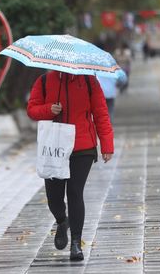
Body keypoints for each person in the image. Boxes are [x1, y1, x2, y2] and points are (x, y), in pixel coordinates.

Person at [27, 71, 114, 261]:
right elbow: (32, 110)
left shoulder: (89, 82)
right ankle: (61, 220)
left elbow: (101, 113)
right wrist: (49, 109)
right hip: (55, 146)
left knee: (75, 192)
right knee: (54, 198)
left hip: (82, 146)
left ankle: (76, 243)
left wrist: (106, 144)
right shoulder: (44, 80)